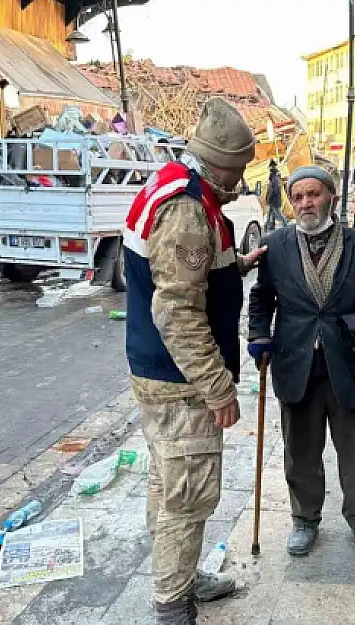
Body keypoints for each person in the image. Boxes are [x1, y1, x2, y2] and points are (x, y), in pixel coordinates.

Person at [122, 98, 268, 625]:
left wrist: (239, 266)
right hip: (180, 383)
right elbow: (178, 312)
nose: (241, 179)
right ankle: (171, 608)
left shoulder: (181, 186)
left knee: (169, 485)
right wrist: (218, 388)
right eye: (239, 169)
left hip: (161, 376)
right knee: (187, 498)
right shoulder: (186, 206)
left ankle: (181, 577)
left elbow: (192, 274)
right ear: (220, 164)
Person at [246, 165, 355, 559]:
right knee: (300, 451)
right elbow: (262, 298)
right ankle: (304, 520)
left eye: (313, 194)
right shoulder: (276, 246)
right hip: (294, 363)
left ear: (331, 196)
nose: (305, 203)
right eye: (298, 197)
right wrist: (258, 335)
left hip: (348, 363)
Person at [266, 160, 288, 231]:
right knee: (270, 213)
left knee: (278, 213)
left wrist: (269, 197)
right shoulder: (276, 178)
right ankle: (270, 225)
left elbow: (274, 190)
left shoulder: (274, 179)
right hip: (274, 199)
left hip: (274, 199)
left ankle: (285, 225)